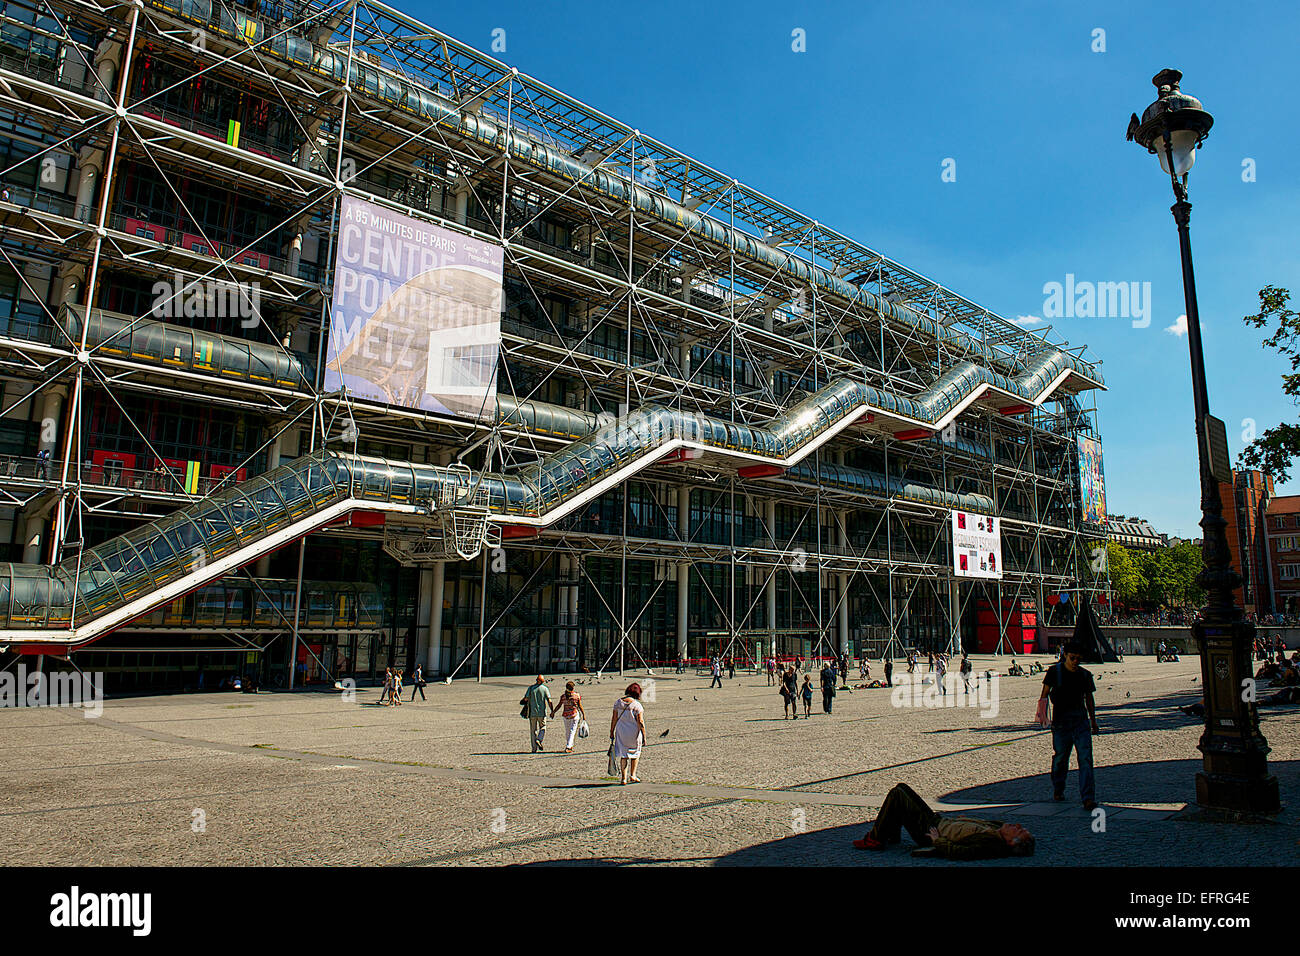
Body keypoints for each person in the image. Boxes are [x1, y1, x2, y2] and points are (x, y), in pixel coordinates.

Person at [853, 784, 1036, 859]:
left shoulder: (991, 843)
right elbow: (978, 825)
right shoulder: (997, 831)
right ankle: (889, 834)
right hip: (939, 821)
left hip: (931, 831)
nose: (1017, 826)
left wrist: (936, 840)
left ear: (1012, 842)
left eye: (1019, 831)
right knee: (902, 788)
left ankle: (876, 838)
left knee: (898, 794)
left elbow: (959, 852)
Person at [1040, 642, 1100, 810]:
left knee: (1086, 760)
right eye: (1072, 658)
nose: (1075, 662)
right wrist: (1043, 716)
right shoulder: (1054, 672)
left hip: (1081, 722)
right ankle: (1058, 788)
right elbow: (1044, 694)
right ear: (1065, 655)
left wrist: (1093, 721)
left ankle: (1088, 798)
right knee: (1060, 758)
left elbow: (1089, 699)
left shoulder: (1085, 675)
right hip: (1061, 723)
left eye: (1078, 659)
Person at [610, 683, 646, 784]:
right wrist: (644, 735)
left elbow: (614, 719)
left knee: (624, 755)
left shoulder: (618, 703)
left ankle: (623, 778)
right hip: (634, 733)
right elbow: (641, 722)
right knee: (635, 753)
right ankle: (633, 775)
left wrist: (611, 731)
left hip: (621, 732)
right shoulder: (637, 705)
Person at [551, 681, 586, 753]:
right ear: (573, 688)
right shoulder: (576, 696)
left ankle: (570, 745)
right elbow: (580, 706)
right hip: (574, 715)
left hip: (566, 715)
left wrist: (553, 712)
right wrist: (583, 714)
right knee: (572, 731)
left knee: (567, 732)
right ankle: (568, 746)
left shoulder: (563, 696)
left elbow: (559, 705)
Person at [524, 675, 551, 752]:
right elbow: (549, 700)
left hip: (532, 713)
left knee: (533, 730)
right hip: (541, 713)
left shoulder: (531, 688)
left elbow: (526, 698)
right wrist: (552, 710)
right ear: (542, 681)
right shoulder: (545, 689)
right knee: (543, 727)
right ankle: (539, 739)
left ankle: (534, 748)